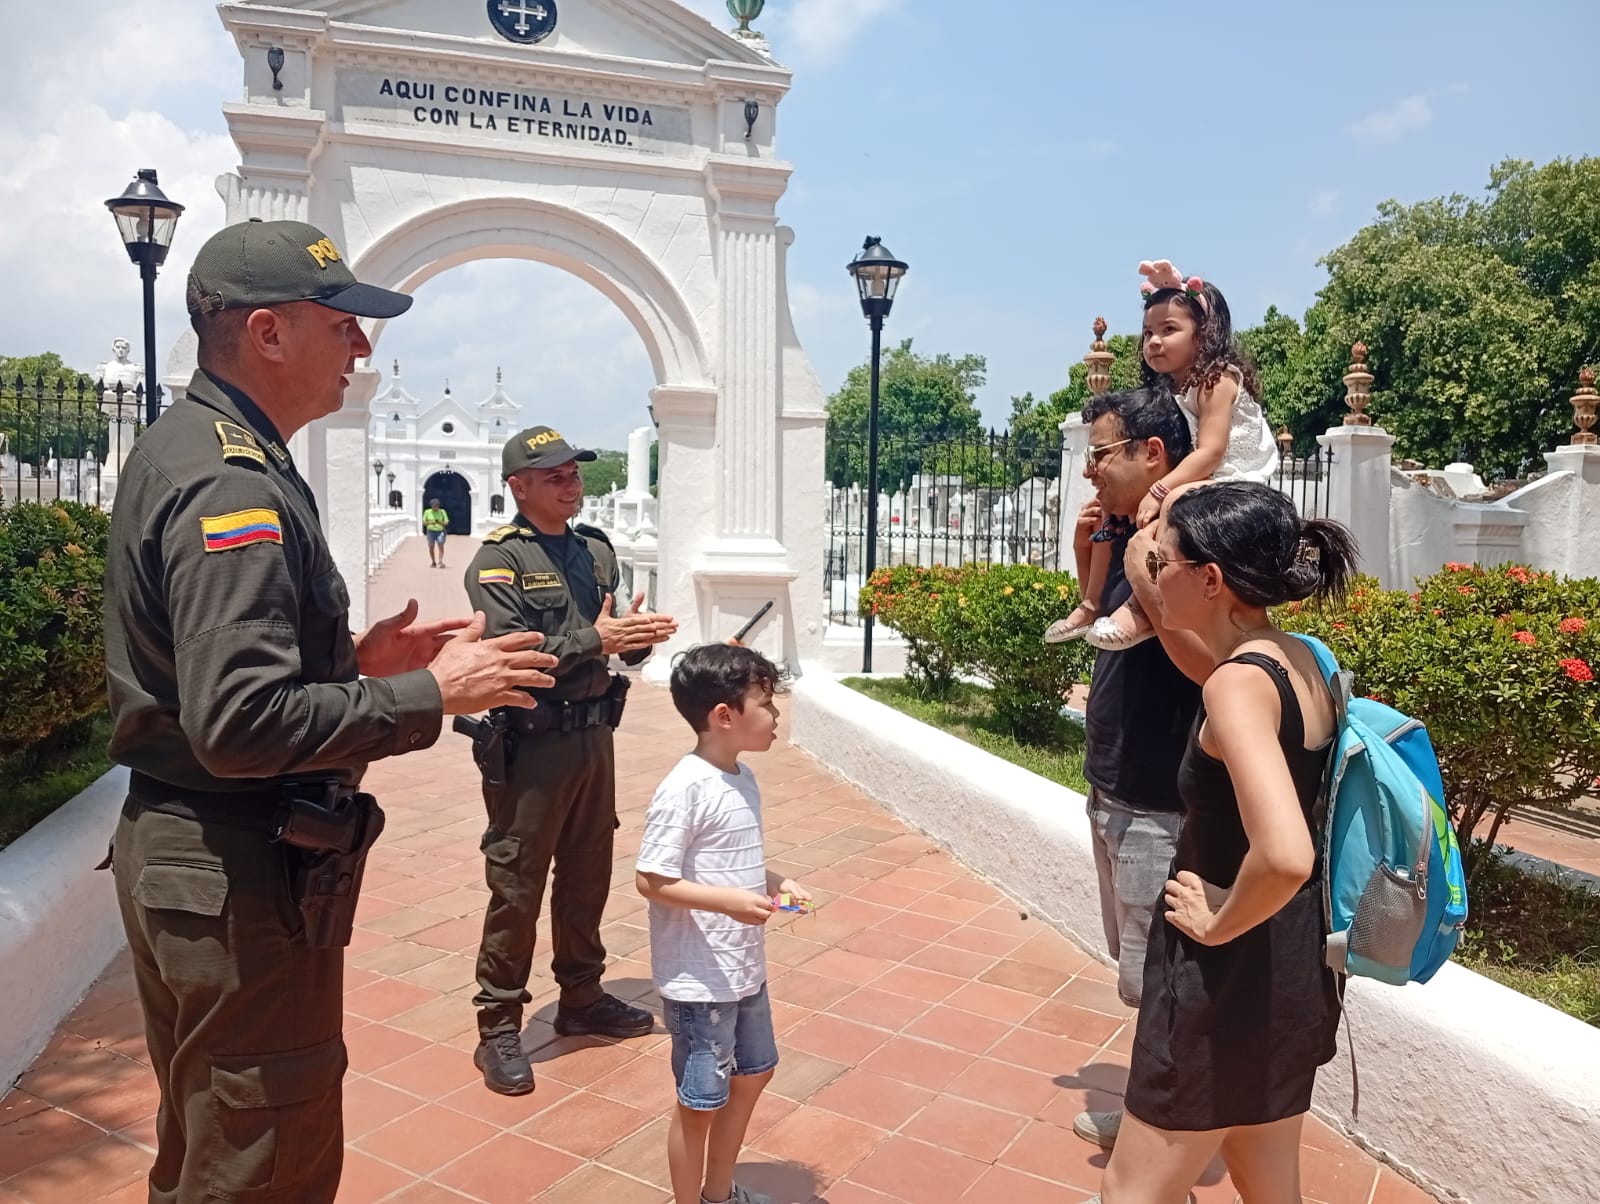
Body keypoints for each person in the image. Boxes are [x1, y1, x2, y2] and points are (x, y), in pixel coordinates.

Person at [104, 217, 559, 1204]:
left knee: (213, 1135)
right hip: (238, 869)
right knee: (263, 1160)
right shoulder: (231, 480)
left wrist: (350, 665)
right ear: (266, 334)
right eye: (342, 323)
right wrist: (427, 693)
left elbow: (211, 681)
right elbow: (238, 725)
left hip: (207, 861)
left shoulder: (205, 447)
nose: (363, 347)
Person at [1091, 482, 1354, 1204]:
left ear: (1209, 579)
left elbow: (1285, 853)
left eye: (1162, 560)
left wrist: (1217, 920)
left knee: (1130, 1193)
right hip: (1290, 965)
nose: (1149, 575)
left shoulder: (1237, 686)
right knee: (1268, 1182)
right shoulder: (1303, 657)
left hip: (1224, 973)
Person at [464, 425, 680, 1094]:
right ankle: (498, 1021)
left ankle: (582, 996)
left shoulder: (595, 552)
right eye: (554, 474)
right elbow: (512, 651)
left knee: (587, 873)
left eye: (574, 471)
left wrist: (635, 639)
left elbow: (611, 642)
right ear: (518, 487)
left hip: (593, 737)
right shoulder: (498, 561)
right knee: (518, 883)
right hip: (532, 743)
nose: (570, 482)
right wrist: (598, 636)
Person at [1065, 386, 1212, 1154]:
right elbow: (1095, 618)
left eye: (1099, 454)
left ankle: (1164, 1144)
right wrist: (1089, 546)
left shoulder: (1184, 541)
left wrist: (1134, 552)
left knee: (1161, 985)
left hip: (1160, 799)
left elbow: (1201, 648)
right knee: (1145, 982)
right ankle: (1162, 1117)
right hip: (1115, 787)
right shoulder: (1128, 533)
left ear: (1152, 454)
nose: (1089, 471)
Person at [635, 644, 808, 1204]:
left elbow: (737, 861)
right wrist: (729, 903)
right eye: (766, 702)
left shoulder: (742, 777)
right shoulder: (685, 786)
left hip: (742, 970)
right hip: (699, 981)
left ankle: (719, 1192)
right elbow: (652, 879)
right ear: (724, 716)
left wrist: (774, 880)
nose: (777, 715)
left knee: (754, 1071)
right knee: (699, 1103)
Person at [1046, 260, 1277, 651]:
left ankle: (1141, 606)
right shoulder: (1173, 390)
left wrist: (1159, 491)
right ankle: (1090, 602)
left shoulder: (1215, 380)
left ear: (1203, 335)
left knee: (1171, 506)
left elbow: (1210, 452)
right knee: (1106, 513)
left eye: (1169, 330)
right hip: (1208, 474)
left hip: (1236, 478)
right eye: (1149, 332)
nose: (1154, 341)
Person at [422, 496, 450, 567]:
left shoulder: (442, 512)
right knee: (431, 546)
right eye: (434, 506)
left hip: (440, 531)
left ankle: (440, 561)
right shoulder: (427, 512)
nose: (435, 508)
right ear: (431, 506)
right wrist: (431, 522)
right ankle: (433, 561)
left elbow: (446, 522)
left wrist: (440, 522)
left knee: (441, 545)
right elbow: (424, 523)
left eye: (437, 506)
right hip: (430, 531)